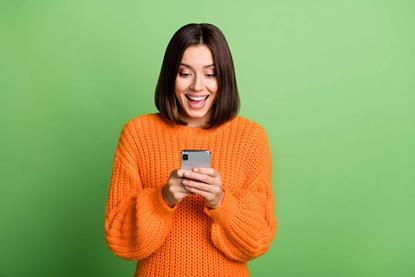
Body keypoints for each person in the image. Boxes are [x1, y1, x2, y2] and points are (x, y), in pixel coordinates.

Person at [104, 22, 277, 277]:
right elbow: (119, 237)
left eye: (210, 73)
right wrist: (164, 198)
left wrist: (220, 201)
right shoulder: (137, 133)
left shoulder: (250, 138)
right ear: (169, 76)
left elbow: (258, 240)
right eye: (185, 73)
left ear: (224, 77)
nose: (197, 87)